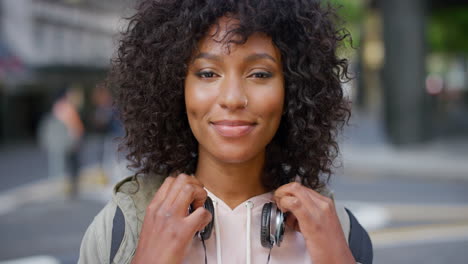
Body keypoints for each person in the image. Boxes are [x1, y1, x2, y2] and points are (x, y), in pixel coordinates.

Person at [79, 0, 373, 263]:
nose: (232, 98)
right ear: (174, 88)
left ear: (293, 90)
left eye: (259, 74)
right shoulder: (120, 228)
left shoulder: (341, 233)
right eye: (208, 73)